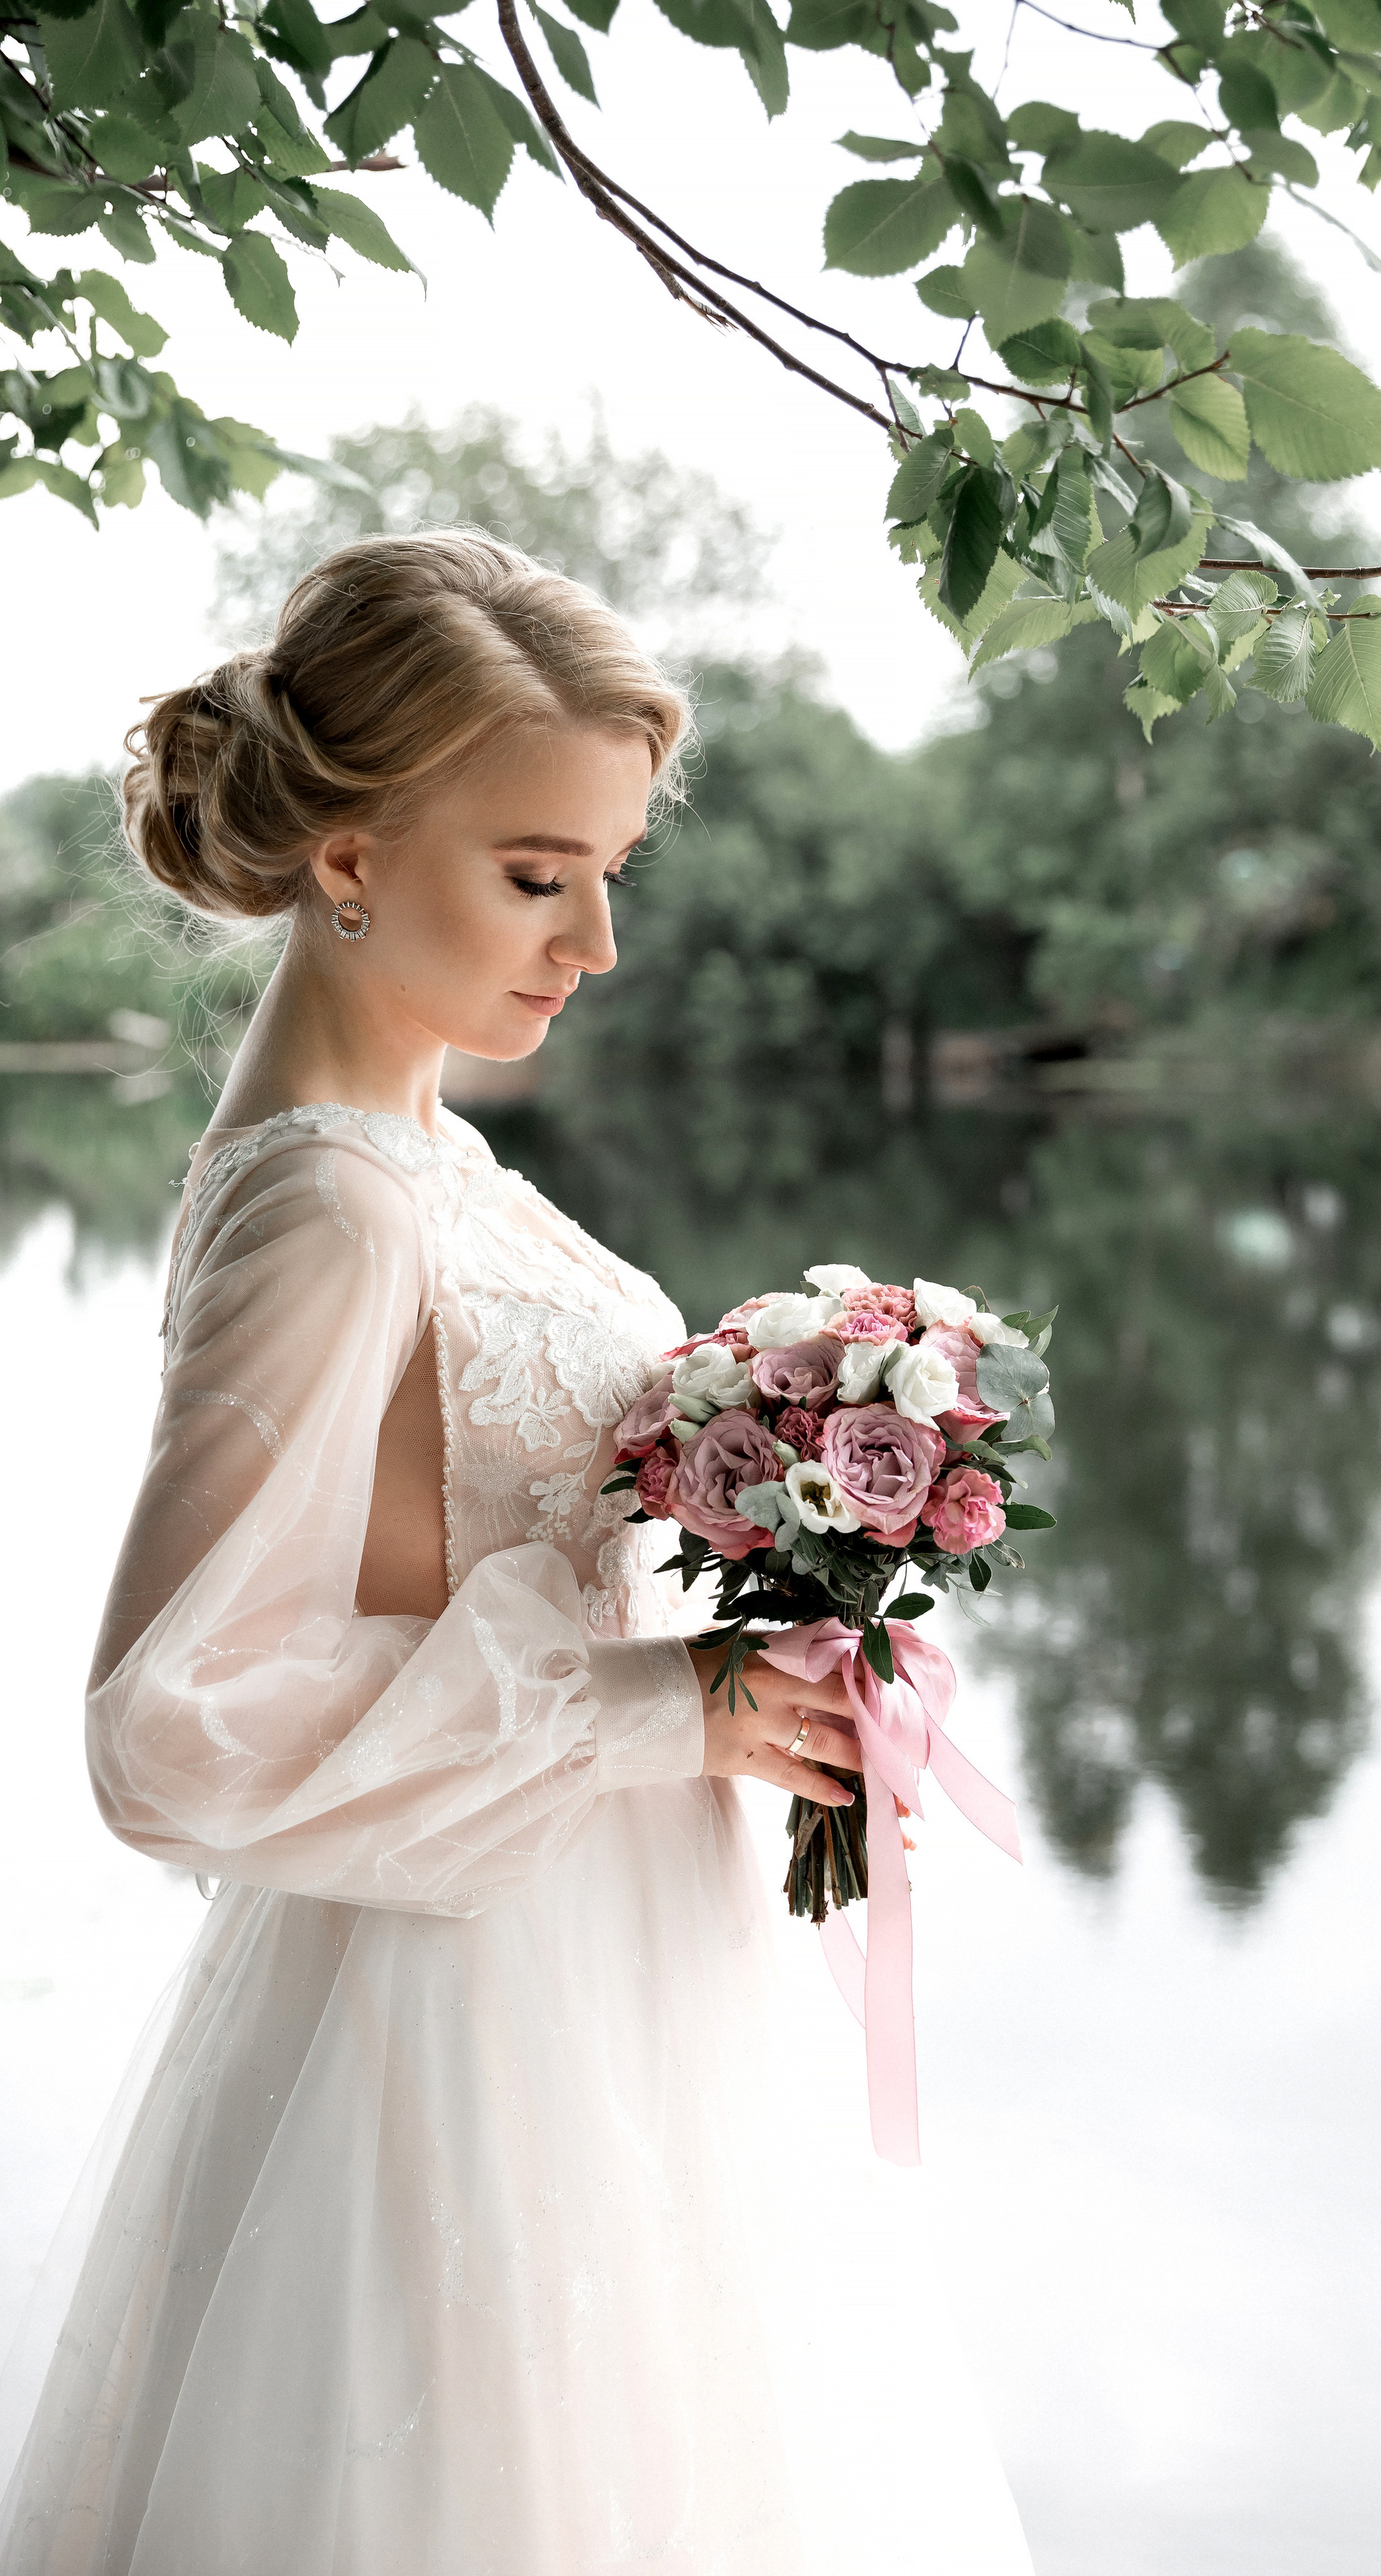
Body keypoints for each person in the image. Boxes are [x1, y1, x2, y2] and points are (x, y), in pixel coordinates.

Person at [0, 533, 1035, 2574]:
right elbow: (167, 1732)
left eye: (611, 874)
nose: (599, 943)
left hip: (599, 1966)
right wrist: (673, 1708)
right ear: (354, 855)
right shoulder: (334, 1206)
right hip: (473, 2021)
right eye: (538, 872)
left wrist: (773, 1557)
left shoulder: (414, 1153)